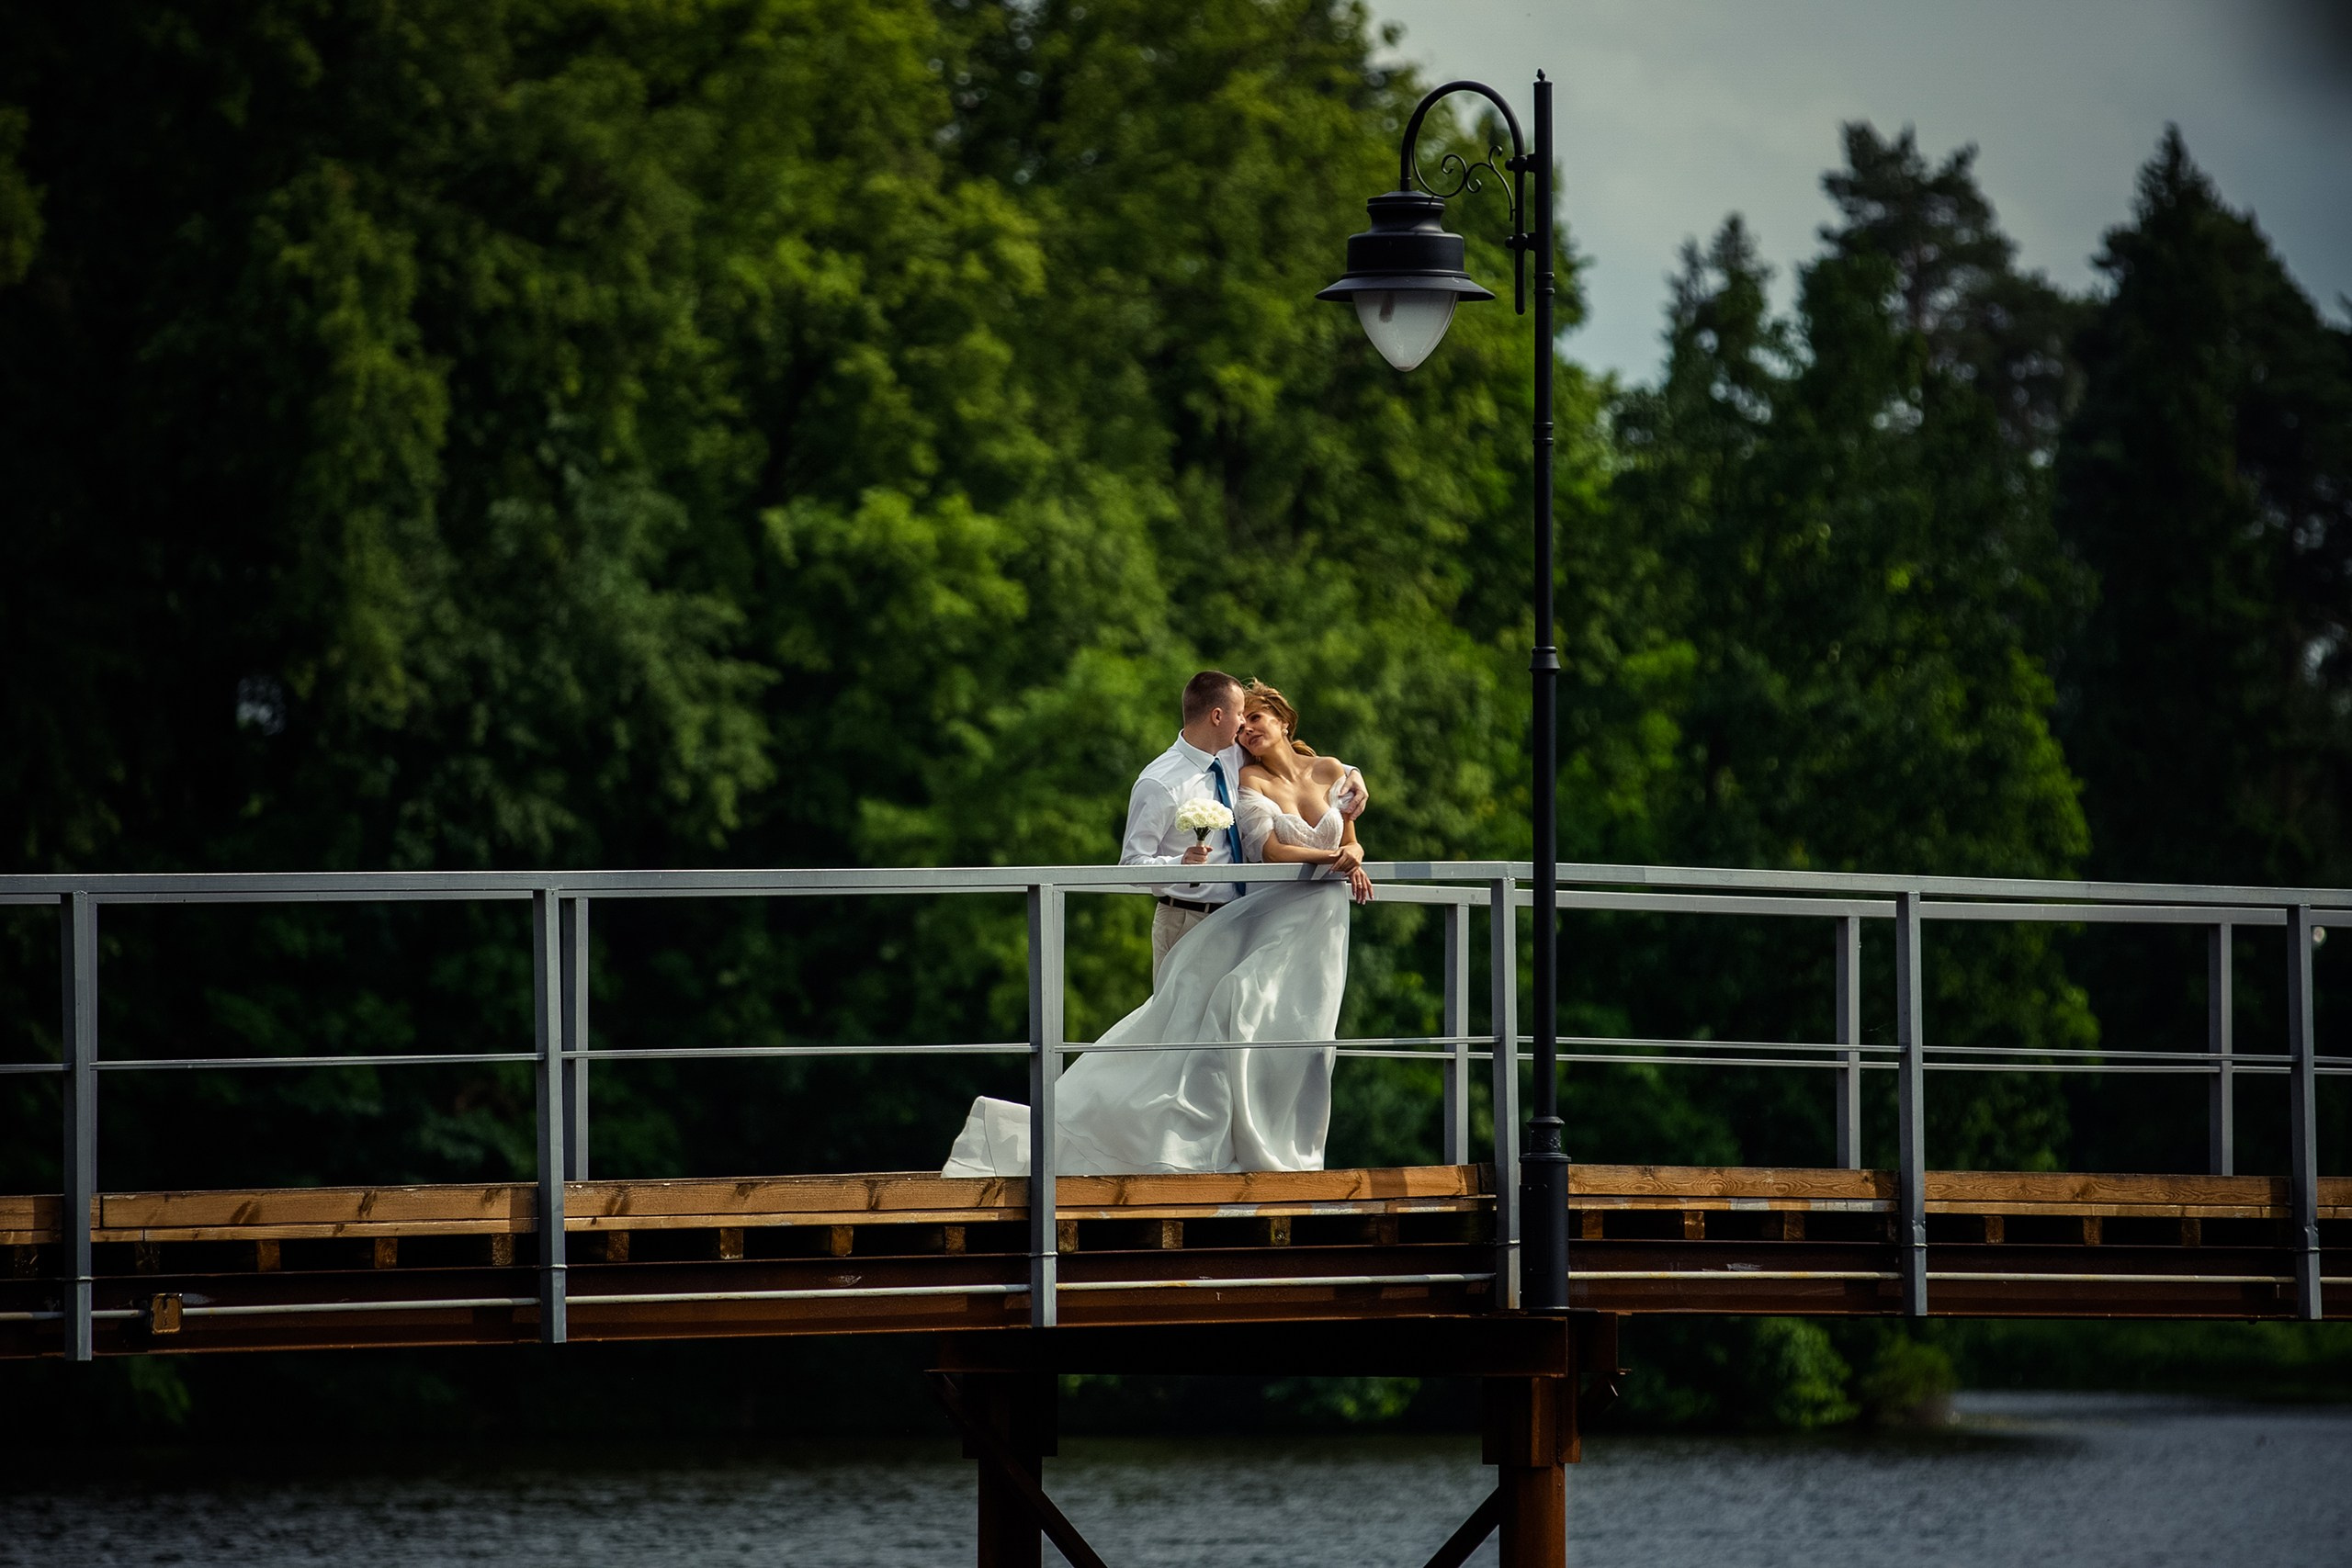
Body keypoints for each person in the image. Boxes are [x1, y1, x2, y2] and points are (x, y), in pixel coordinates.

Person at [941, 677, 1373, 1176]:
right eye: (1239, 715)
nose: (1244, 726)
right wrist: (1179, 863)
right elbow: (1131, 867)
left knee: (1224, 1048)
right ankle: (1136, 1154)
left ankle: (1210, 1159)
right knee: (1172, 1051)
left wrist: (1356, 777)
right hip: (1186, 919)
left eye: (1251, 718)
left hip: (1247, 923)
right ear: (1218, 717)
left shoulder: (1238, 761)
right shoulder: (1161, 781)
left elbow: (1306, 766)